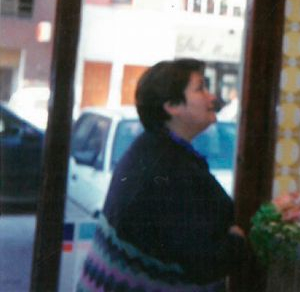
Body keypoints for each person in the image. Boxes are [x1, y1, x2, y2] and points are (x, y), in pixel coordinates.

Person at [78, 58, 247, 291]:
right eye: (200, 89)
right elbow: (206, 260)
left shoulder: (158, 150)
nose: (212, 97)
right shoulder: (165, 166)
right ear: (172, 106)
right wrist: (237, 240)